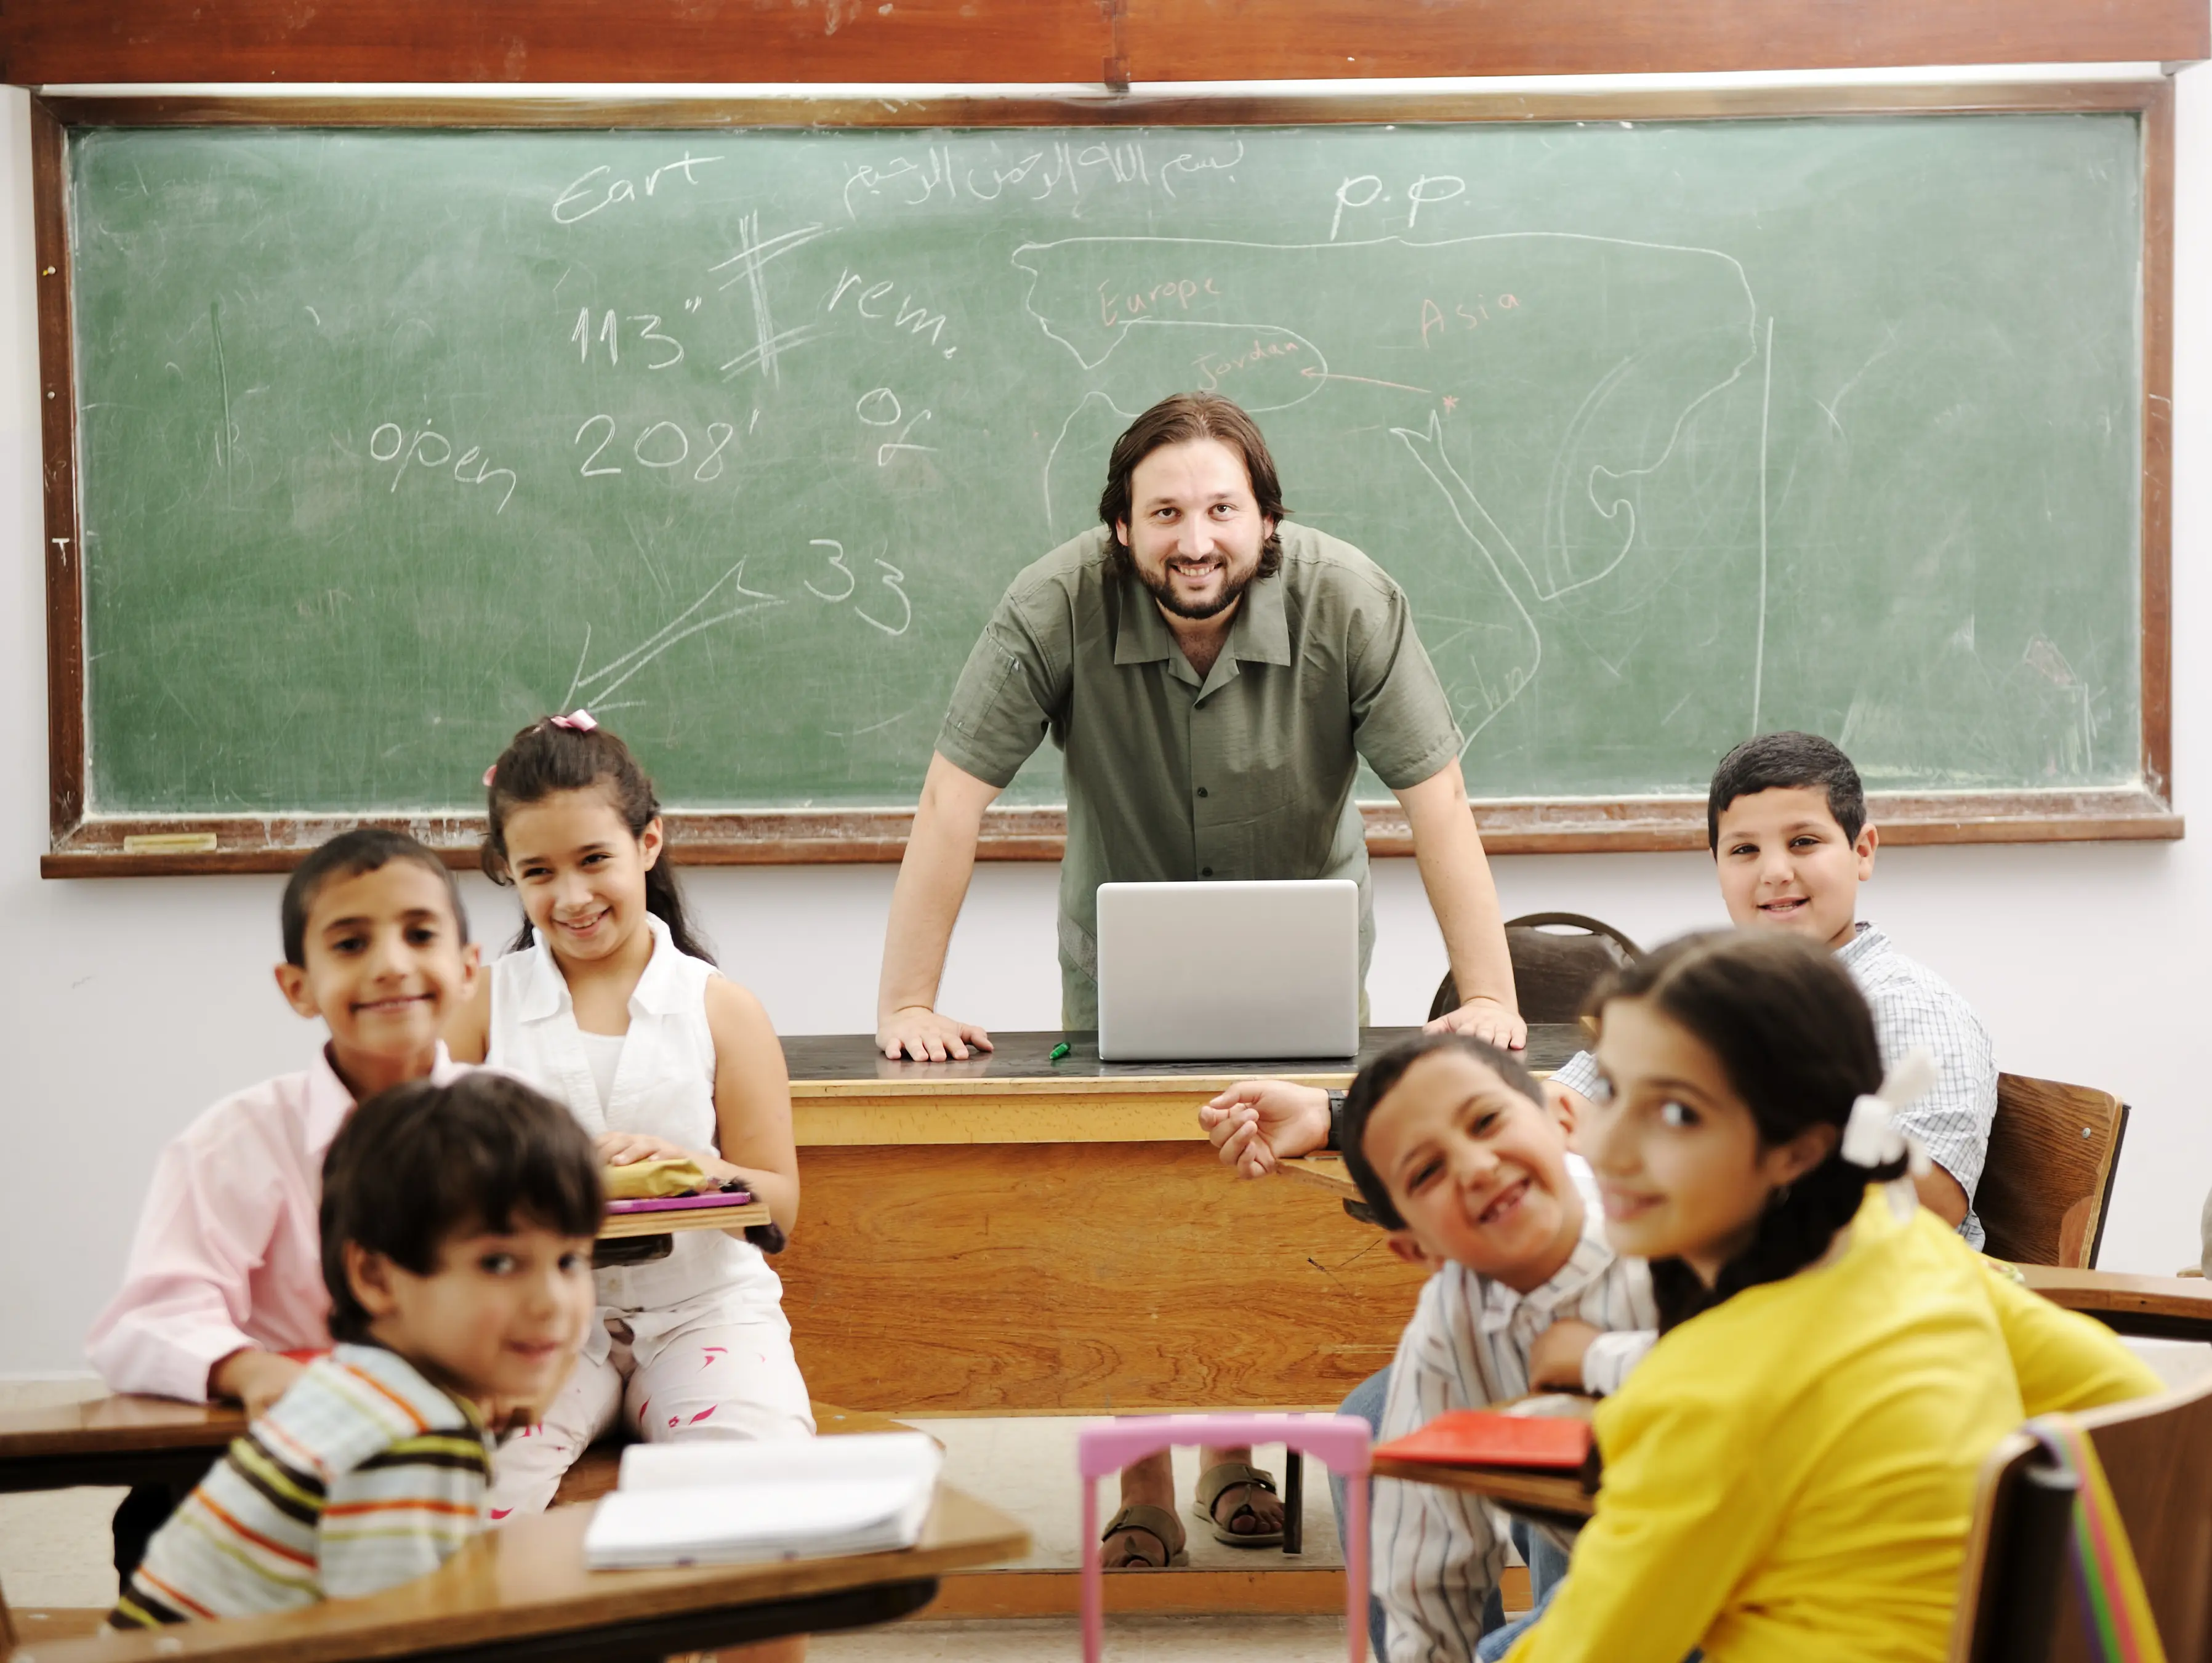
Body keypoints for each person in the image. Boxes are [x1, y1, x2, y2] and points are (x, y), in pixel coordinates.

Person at [877, 390, 1526, 1565]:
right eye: (1163, 511)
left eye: (1222, 508)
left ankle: (1231, 1455)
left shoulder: (1349, 598)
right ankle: (1140, 1482)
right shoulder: (1051, 604)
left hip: (1303, 954)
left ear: (1266, 520)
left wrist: (1486, 992)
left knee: (1256, 1192)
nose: (1194, 537)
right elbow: (949, 800)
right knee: (1137, 1204)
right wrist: (907, 1001)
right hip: (1119, 964)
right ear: (1120, 529)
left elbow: (1436, 805)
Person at [1479, 931, 2160, 1663]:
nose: (1608, 1146)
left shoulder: (1709, 1389)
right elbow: (2129, 1400)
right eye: (1608, 1091)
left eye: (1675, 1113)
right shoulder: (1895, 1239)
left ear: (1798, 1149)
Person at [87, 827, 480, 1579]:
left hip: (442, 1459)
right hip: (264, 1463)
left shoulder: (513, 1124)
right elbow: (148, 1319)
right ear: (297, 986)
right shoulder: (236, 1140)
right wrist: (250, 1372)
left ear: (467, 968)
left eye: (420, 933)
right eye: (350, 943)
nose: (392, 964)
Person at [449, 712, 814, 1520]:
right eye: (538, 871)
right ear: (507, 871)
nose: (571, 897)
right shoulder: (480, 1005)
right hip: (531, 1317)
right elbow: (425, 1186)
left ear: (648, 843)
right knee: (453, 1492)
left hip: (701, 1312)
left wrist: (693, 1170)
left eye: (593, 861)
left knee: (760, 1498)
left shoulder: (720, 1008)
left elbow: (779, 1200)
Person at [111, 1072, 600, 1627]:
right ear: (374, 1276)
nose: (551, 1303)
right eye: (499, 1263)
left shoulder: (358, 1380)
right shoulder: (415, 1435)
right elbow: (389, 1642)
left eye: (570, 1260)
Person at [1331, 1031, 1655, 1662]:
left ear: (1562, 1117)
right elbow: (1424, 1566)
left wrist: (1595, 1362)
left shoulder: (1673, 1227)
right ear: (1415, 1248)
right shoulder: (1447, 1328)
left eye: (1485, 1121)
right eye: (1427, 1172)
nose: (1476, 1167)